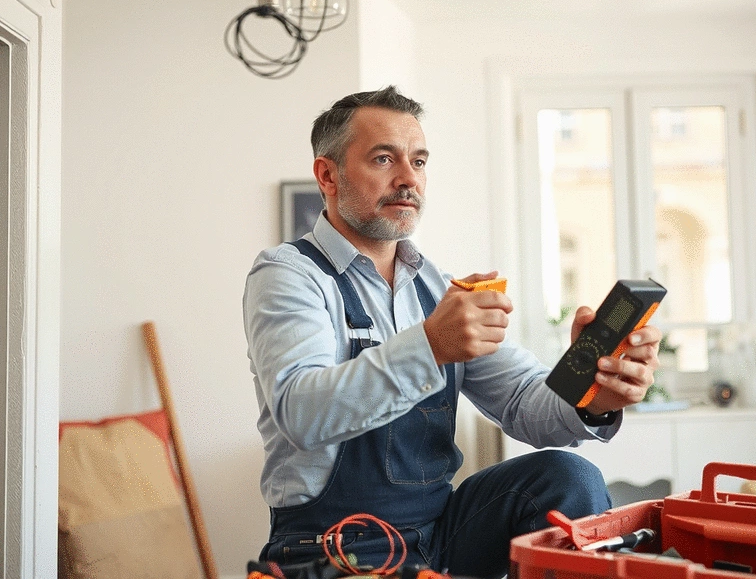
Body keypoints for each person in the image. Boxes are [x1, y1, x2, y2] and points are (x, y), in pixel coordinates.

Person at [243, 86, 661, 578]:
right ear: (327, 175)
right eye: (383, 159)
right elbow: (300, 410)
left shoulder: (436, 288)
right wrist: (429, 345)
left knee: (568, 478)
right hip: (332, 546)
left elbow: (525, 402)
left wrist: (592, 391)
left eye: (419, 162)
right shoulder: (288, 274)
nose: (408, 179)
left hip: (442, 533)